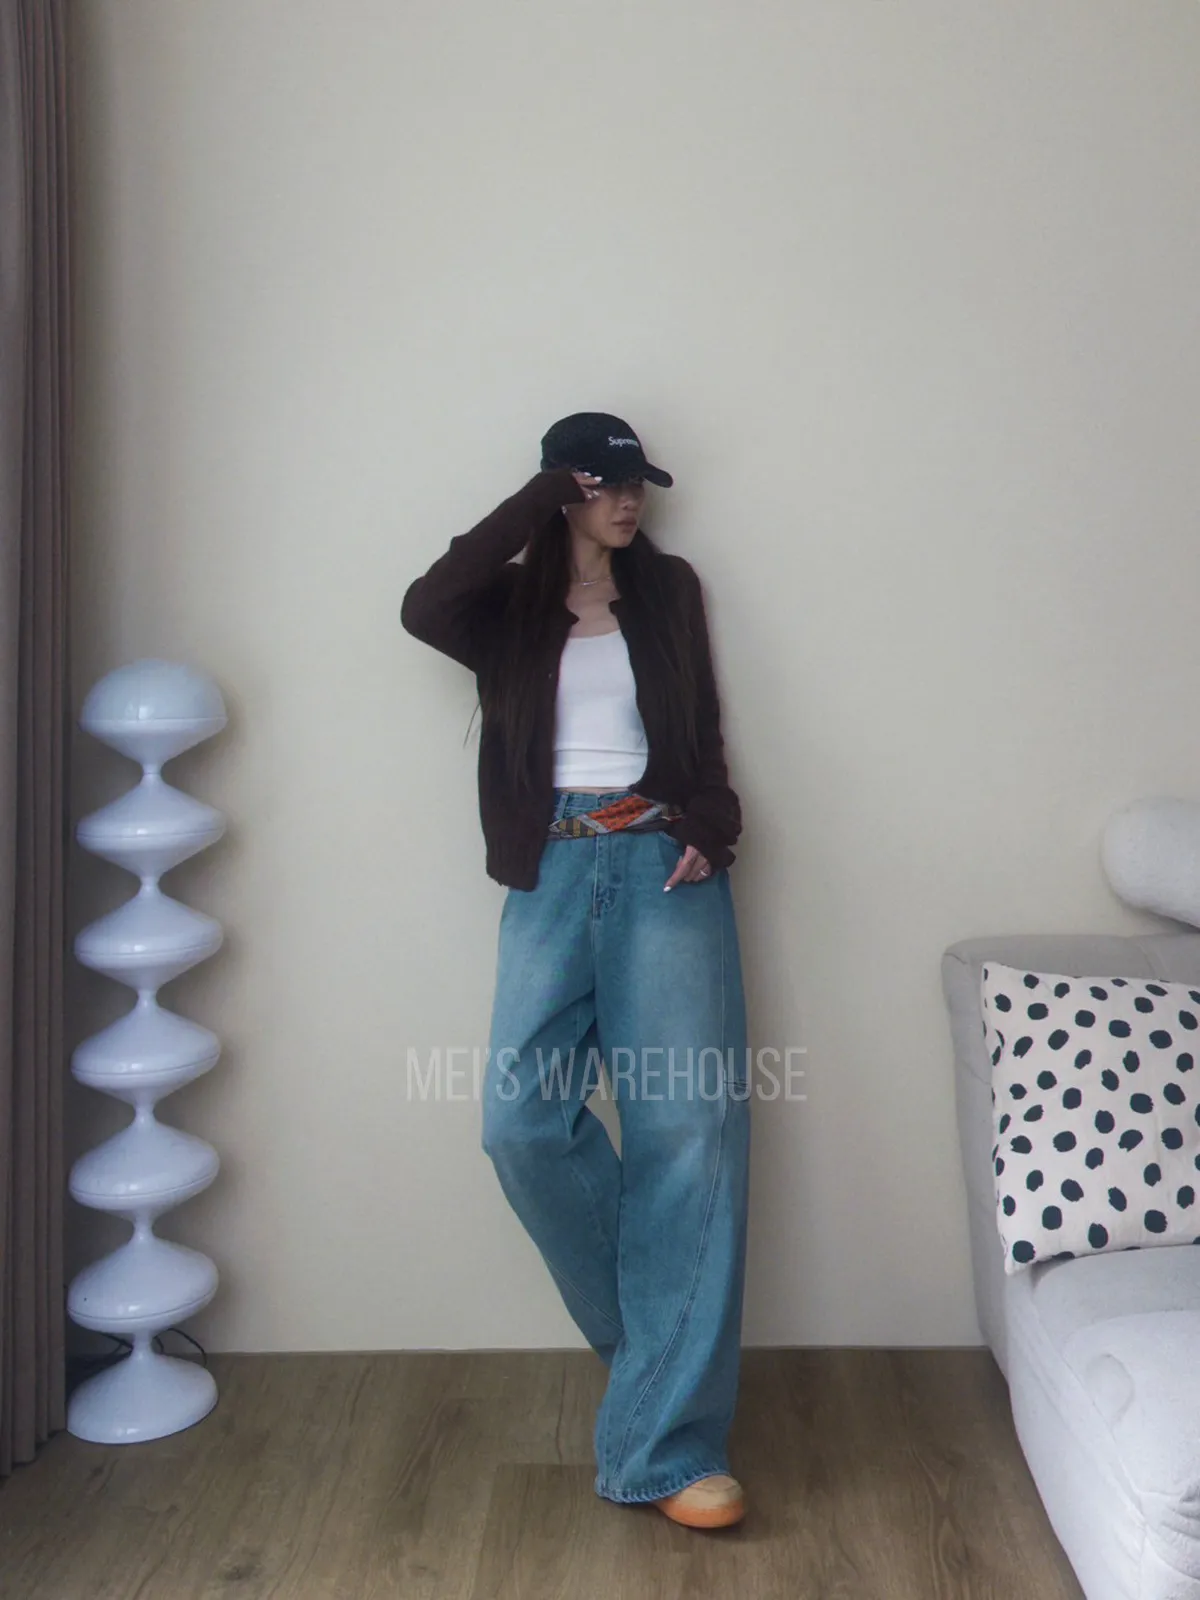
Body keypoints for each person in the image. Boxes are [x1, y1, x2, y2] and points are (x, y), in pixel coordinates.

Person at [401, 411, 751, 1529]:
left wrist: (712, 826)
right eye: (605, 485)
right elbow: (423, 605)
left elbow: (705, 739)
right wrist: (537, 499)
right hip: (551, 870)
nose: (629, 501)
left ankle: (668, 1449)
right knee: (520, 1124)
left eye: (637, 484)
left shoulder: (669, 590)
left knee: (687, 1138)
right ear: (565, 490)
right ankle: (660, 1359)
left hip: (662, 867)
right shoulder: (506, 609)